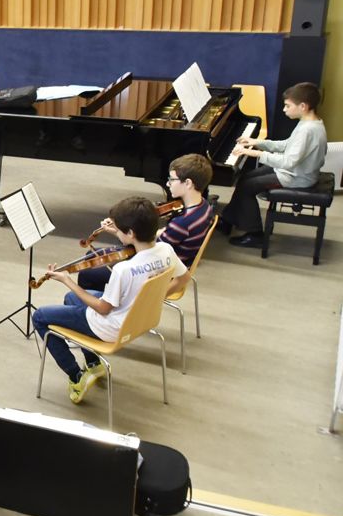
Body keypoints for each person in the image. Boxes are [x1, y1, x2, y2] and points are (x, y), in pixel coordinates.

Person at [32, 196, 189, 404]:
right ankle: (93, 363)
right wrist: (152, 299)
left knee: (40, 317)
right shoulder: (165, 250)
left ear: (131, 233)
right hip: (141, 319)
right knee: (71, 299)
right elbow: (183, 278)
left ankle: (76, 376)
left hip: (111, 327)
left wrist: (67, 280)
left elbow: (103, 308)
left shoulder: (124, 269)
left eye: (120, 229)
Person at [78, 154, 215, 291]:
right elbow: (161, 238)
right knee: (91, 258)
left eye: (172, 179)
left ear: (188, 183)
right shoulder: (204, 207)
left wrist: (120, 232)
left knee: (87, 274)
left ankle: (107, 308)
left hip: (156, 274)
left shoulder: (182, 223)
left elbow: (146, 251)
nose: (168, 184)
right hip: (175, 264)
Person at [221, 82, 328, 248]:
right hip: (294, 171)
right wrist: (258, 142)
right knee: (245, 178)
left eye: (287, 106)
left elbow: (288, 162)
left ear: (303, 106)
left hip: (297, 178)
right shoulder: (310, 122)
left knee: (248, 186)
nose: (284, 109)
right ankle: (228, 219)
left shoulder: (308, 130)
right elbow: (287, 145)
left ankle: (255, 233)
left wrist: (255, 153)